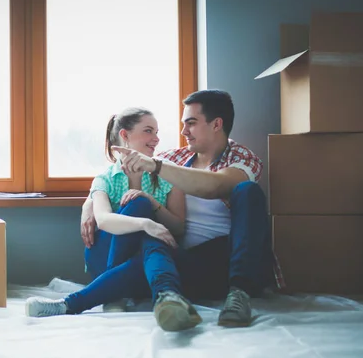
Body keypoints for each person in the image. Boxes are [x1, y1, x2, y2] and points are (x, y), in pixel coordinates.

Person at [81, 90, 286, 327]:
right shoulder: (174, 158)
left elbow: (214, 186)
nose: (183, 132)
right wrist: (89, 204)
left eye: (191, 123)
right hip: (185, 258)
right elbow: (111, 176)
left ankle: (239, 293)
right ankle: (144, 297)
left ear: (216, 124)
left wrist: (156, 167)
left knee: (248, 191)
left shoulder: (241, 157)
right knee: (150, 252)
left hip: (225, 257)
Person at [25, 107, 203, 332]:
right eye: (148, 131)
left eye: (157, 132)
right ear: (125, 136)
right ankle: (153, 294)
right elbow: (104, 220)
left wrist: (151, 202)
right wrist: (146, 223)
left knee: (150, 233)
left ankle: (73, 304)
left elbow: (178, 227)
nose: (156, 139)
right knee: (141, 211)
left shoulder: (167, 173)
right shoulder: (105, 178)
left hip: (147, 262)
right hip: (106, 254)